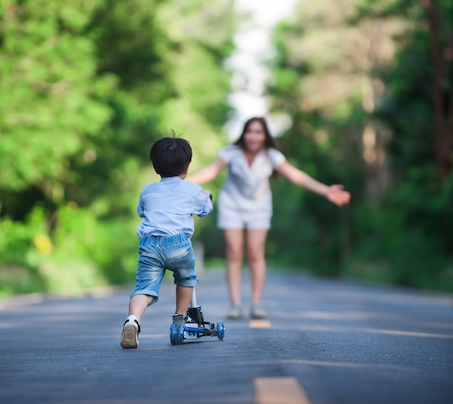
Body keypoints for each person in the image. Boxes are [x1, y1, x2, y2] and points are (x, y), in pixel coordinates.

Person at [187, 116, 351, 320]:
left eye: (258, 132)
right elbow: (211, 171)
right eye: (250, 131)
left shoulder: (272, 155)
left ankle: (257, 303)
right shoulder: (231, 152)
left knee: (256, 252)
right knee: (234, 252)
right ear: (243, 134)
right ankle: (235, 305)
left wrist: (325, 190)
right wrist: (181, 182)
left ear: (265, 136)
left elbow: (296, 175)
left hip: (259, 208)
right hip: (232, 205)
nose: (253, 136)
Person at [120, 135, 214, 349]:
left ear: (156, 167)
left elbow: (141, 211)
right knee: (186, 278)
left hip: (150, 245)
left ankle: (133, 319)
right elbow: (205, 210)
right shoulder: (192, 190)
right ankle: (180, 320)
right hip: (178, 245)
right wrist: (207, 197)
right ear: (187, 167)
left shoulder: (148, 190)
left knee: (144, 288)